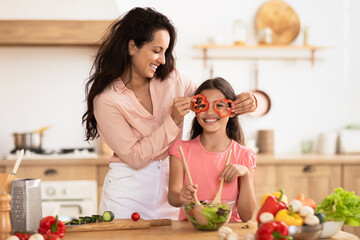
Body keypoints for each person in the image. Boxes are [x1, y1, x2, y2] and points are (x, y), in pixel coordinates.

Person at [82, 7, 257, 220]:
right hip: (127, 194)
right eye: (157, 50)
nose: (163, 60)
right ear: (132, 47)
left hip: (171, 189)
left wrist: (247, 101)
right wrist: (173, 119)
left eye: (165, 51)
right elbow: (136, 157)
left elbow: (210, 104)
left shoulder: (172, 79)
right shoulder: (107, 100)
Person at [168, 77, 256, 222]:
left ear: (232, 111)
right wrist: (180, 196)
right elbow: (173, 197)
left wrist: (245, 174)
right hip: (189, 232)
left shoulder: (244, 155)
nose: (209, 112)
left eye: (219, 105)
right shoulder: (180, 150)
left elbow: (247, 216)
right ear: (195, 110)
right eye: (203, 105)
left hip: (228, 232)